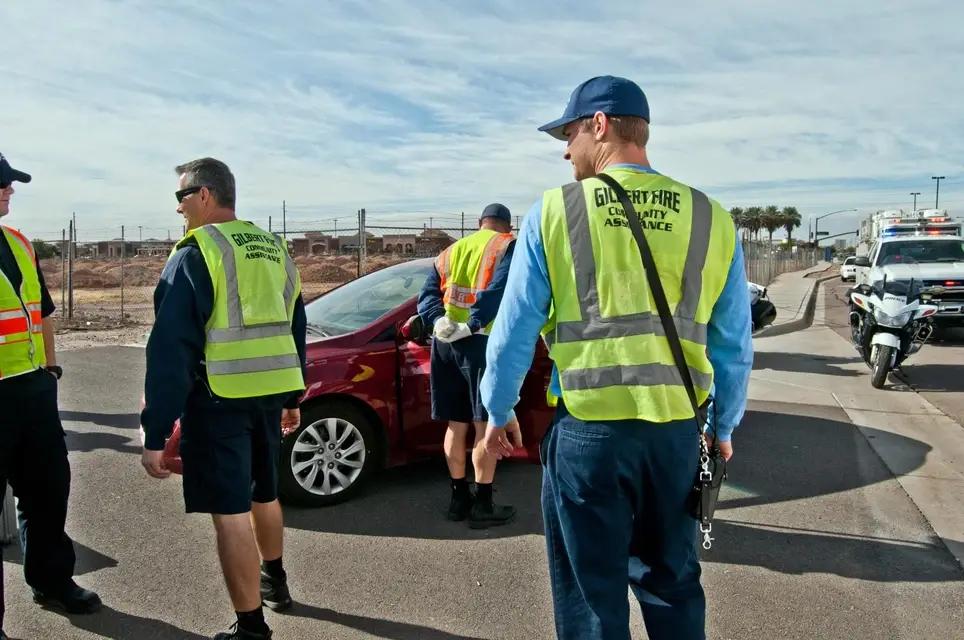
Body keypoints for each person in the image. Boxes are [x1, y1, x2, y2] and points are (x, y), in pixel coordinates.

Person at [479, 76, 753, 639]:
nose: (565, 148)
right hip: (678, 434)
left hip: (590, 437)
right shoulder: (710, 216)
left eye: (570, 132)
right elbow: (733, 343)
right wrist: (722, 426)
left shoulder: (555, 211)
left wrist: (496, 412)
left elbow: (512, 330)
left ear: (599, 125)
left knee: (591, 600)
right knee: (673, 586)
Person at [139, 157, 308, 640]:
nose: (178, 209)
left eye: (181, 198)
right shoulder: (274, 249)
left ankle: (252, 629)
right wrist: (292, 396)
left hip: (219, 397)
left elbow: (172, 349)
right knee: (265, 493)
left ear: (205, 195)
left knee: (231, 513)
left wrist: (156, 433)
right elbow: (294, 325)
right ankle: (275, 581)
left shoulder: (197, 252)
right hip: (269, 395)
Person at [0, 152, 102, 640]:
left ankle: (51, 580)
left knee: (47, 490)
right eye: (1, 183)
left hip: (32, 389)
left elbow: (40, 313)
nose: (9, 190)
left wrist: (51, 367)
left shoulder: (18, 242)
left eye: (10, 183)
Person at [416, 203, 521, 528]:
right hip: (482, 343)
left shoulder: (450, 251)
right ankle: (483, 504)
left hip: (444, 346)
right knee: (484, 425)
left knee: (455, 425)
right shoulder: (507, 245)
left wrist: (438, 322)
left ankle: (458, 499)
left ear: (479, 223)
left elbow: (427, 295)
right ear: (506, 225)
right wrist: (472, 324)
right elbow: (499, 291)